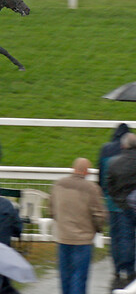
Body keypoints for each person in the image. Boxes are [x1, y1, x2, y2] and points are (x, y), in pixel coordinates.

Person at [51, 157, 107, 294]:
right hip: (83, 240)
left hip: (63, 237)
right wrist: (98, 229)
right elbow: (98, 215)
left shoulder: (58, 185)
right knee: (79, 277)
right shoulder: (91, 189)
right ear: (87, 172)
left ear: (73, 169)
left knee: (65, 276)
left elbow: (51, 210)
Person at [98, 123, 133, 288]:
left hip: (112, 201)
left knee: (115, 236)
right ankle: (129, 267)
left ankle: (118, 268)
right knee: (128, 236)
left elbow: (102, 178)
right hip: (129, 203)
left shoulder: (106, 150)